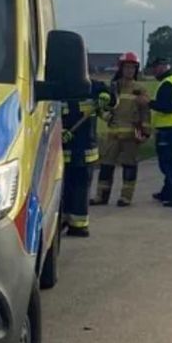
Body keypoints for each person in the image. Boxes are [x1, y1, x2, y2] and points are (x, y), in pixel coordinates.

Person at [93, 51, 150, 207]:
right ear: (121, 68)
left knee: (129, 167)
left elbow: (145, 112)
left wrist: (145, 132)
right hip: (112, 134)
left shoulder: (140, 89)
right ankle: (101, 196)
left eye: (133, 68)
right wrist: (106, 117)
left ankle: (126, 197)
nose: (129, 71)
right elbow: (100, 107)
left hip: (131, 135)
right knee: (106, 166)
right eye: (127, 67)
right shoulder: (113, 87)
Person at [61, 71, 115, 236]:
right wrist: (58, 131)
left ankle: (79, 225)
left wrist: (107, 97)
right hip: (61, 150)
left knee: (80, 187)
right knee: (64, 188)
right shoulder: (55, 89)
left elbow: (112, 101)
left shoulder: (94, 87)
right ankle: (64, 220)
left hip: (85, 150)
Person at [147, 56, 172, 208]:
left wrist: (149, 103)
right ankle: (166, 192)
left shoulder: (167, 84)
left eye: (156, 68)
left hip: (168, 129)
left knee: (167, 165)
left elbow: (168, 107)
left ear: (163, 67)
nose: (154, 71)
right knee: (168, 163)